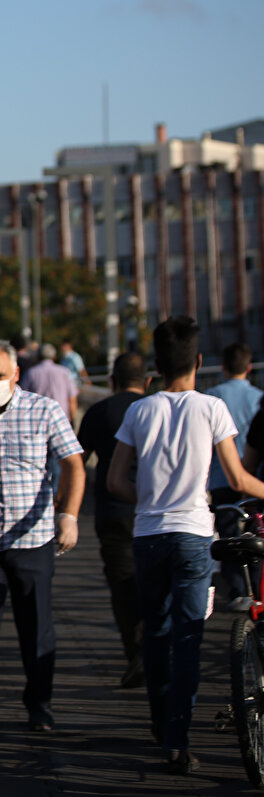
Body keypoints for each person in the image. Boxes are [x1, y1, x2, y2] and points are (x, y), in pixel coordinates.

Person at [107, 317, 264, 775]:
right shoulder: (212, 408)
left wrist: (151, 497)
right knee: (189, 637)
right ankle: (178, 738)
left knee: (154, 634)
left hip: (148, 535)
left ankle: (160, 728)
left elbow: (116, 480)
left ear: (156, 365)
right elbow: (237, 478)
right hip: (195, 534)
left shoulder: (139, 411)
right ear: (199, 361)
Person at [0, 340, 85, 740]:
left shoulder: (44, 411)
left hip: (34, 539)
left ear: (15, 374)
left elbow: (74, 465)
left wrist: (69, 516)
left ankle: (39, 706)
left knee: (36, 626)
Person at [76, 352, 148, 689]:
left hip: (112, 511)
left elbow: (79, 461)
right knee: (156, 583)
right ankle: (156, 647)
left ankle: (135, 652)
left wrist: (67, 509)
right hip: (153, 511)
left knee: (122, 586)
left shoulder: (99, 412)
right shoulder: (154, 410)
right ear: (147, 381)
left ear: (113, 381)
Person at [205, 343, 264, 558]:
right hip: (254, 483)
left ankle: (235, 588)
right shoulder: (258, 398)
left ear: (223, 367)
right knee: (256, 543)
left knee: (229, 544)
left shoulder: (210, 398)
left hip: (221, 479)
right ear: (248, 368)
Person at [20, 343, 79, 425]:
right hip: (61, 419)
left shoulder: (30, 373)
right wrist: (73, 419)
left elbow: (22, 398)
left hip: (38, 421)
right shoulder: (64, 372)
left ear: (38, 357)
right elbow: (72, 398)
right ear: (54, 357)